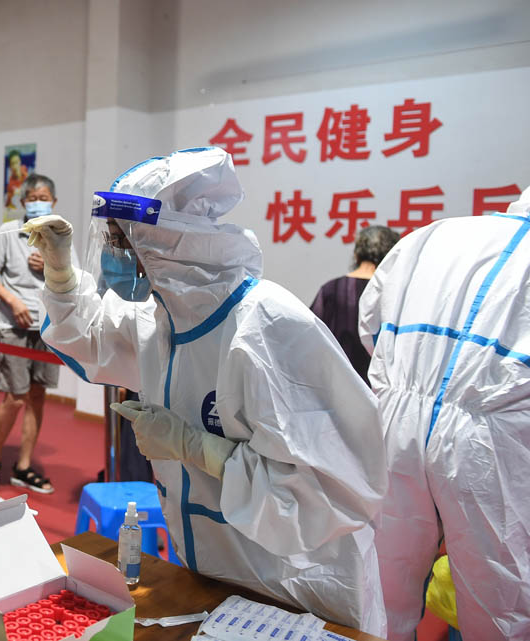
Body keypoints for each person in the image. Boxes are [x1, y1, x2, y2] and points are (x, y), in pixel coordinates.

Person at [30, 147, 388, 635]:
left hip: (294, 586)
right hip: (212, 577)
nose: (116, 256)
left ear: (167, 242)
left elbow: (332, 496)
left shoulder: (265, 327)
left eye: (122, 241)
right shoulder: (165, 323)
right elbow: (91, 336)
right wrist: (61, 273)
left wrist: (198, 448)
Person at [359, 188, 530, 641]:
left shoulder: (432, 235)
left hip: (396, 416)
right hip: (497, 436)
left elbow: (369, 324)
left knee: (380, 589)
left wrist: (409, 381)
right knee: (500, 604)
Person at [0, 173, 74, 494]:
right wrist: (12, 300)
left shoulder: (60, 236)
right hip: (14, 327)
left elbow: (73, 280)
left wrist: (50, 265)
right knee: (15, 397)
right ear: (23, 202)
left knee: (38, 397)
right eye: (32, 197)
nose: (38, 202)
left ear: (55, 201)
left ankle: (23, 465)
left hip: (48, 329)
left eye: (44, 197)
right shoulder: (9, 232)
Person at [310, 225, 399, 381]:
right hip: (380, 390)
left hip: (337, 387)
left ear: (357, 254)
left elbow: (310, 336)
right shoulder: (393, 293)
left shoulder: (332, 289)